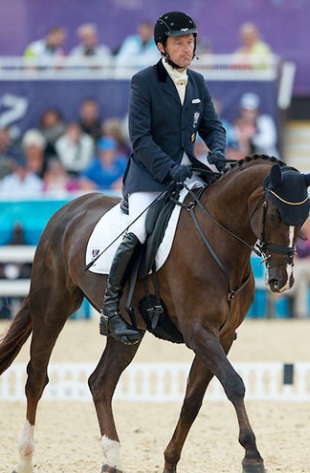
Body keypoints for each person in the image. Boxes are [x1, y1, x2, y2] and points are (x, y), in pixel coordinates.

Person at [99, 11, 227, 343]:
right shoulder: (143, 82)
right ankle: (110, 308)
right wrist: (170, 169)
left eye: (190, 42)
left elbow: (212, 125)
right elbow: (139, 138)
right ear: (161, 46)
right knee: (141, 228)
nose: (187, 49)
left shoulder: (197, 81)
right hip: (150, 175)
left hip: (189, 171)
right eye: (179, 43)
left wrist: (217, 150)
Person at [233, 92, 279, 157]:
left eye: (250, 111)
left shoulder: (265, 121)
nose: (247, 114)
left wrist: (251, 139)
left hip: (269, 161)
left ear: (256, 111)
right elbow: (236, 144)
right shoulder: (238, 124)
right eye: (245, 111)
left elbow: (269, 141)